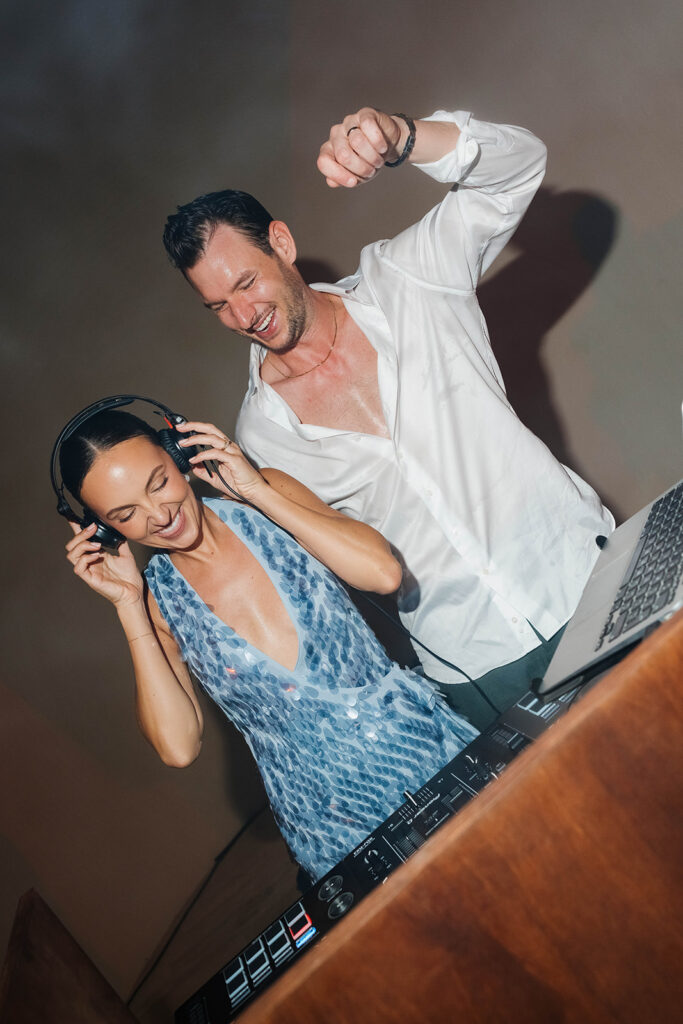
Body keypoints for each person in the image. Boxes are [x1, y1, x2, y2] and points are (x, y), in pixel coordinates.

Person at [161, 105, 614, 726]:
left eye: (246, 284)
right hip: (480, 670)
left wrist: (403, 137)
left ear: (282, 245)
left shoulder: (409, 281)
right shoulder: (262, 435)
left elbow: (519, 168)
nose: (243, 316)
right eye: (218, 306)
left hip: (585, 579)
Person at [60, 407, 478, 881]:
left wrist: (258, 492)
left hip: (427, 753)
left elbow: (382, 574)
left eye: (158, 483)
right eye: (125, 515)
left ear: (179, 454)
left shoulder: (266, 495)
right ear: (105, 530)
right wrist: (128, 605)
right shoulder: (157, 604)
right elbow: (178, 747)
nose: (159, 515)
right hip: (333, 828)